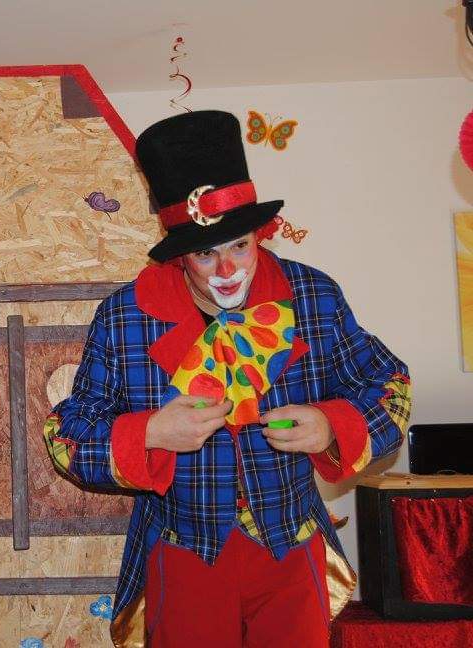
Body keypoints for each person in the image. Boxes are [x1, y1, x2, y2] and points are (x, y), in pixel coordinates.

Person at [44, 111, 411, 647]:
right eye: (205, 253)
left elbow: (390, 385)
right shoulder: (124, 317)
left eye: (240, 245)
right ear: (179, 254)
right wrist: (150, 432)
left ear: (260, 234)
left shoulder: (314, 296)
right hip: (183, 553)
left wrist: (332, 425)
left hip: (291, 547)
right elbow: (67, 435)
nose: (227, 270)